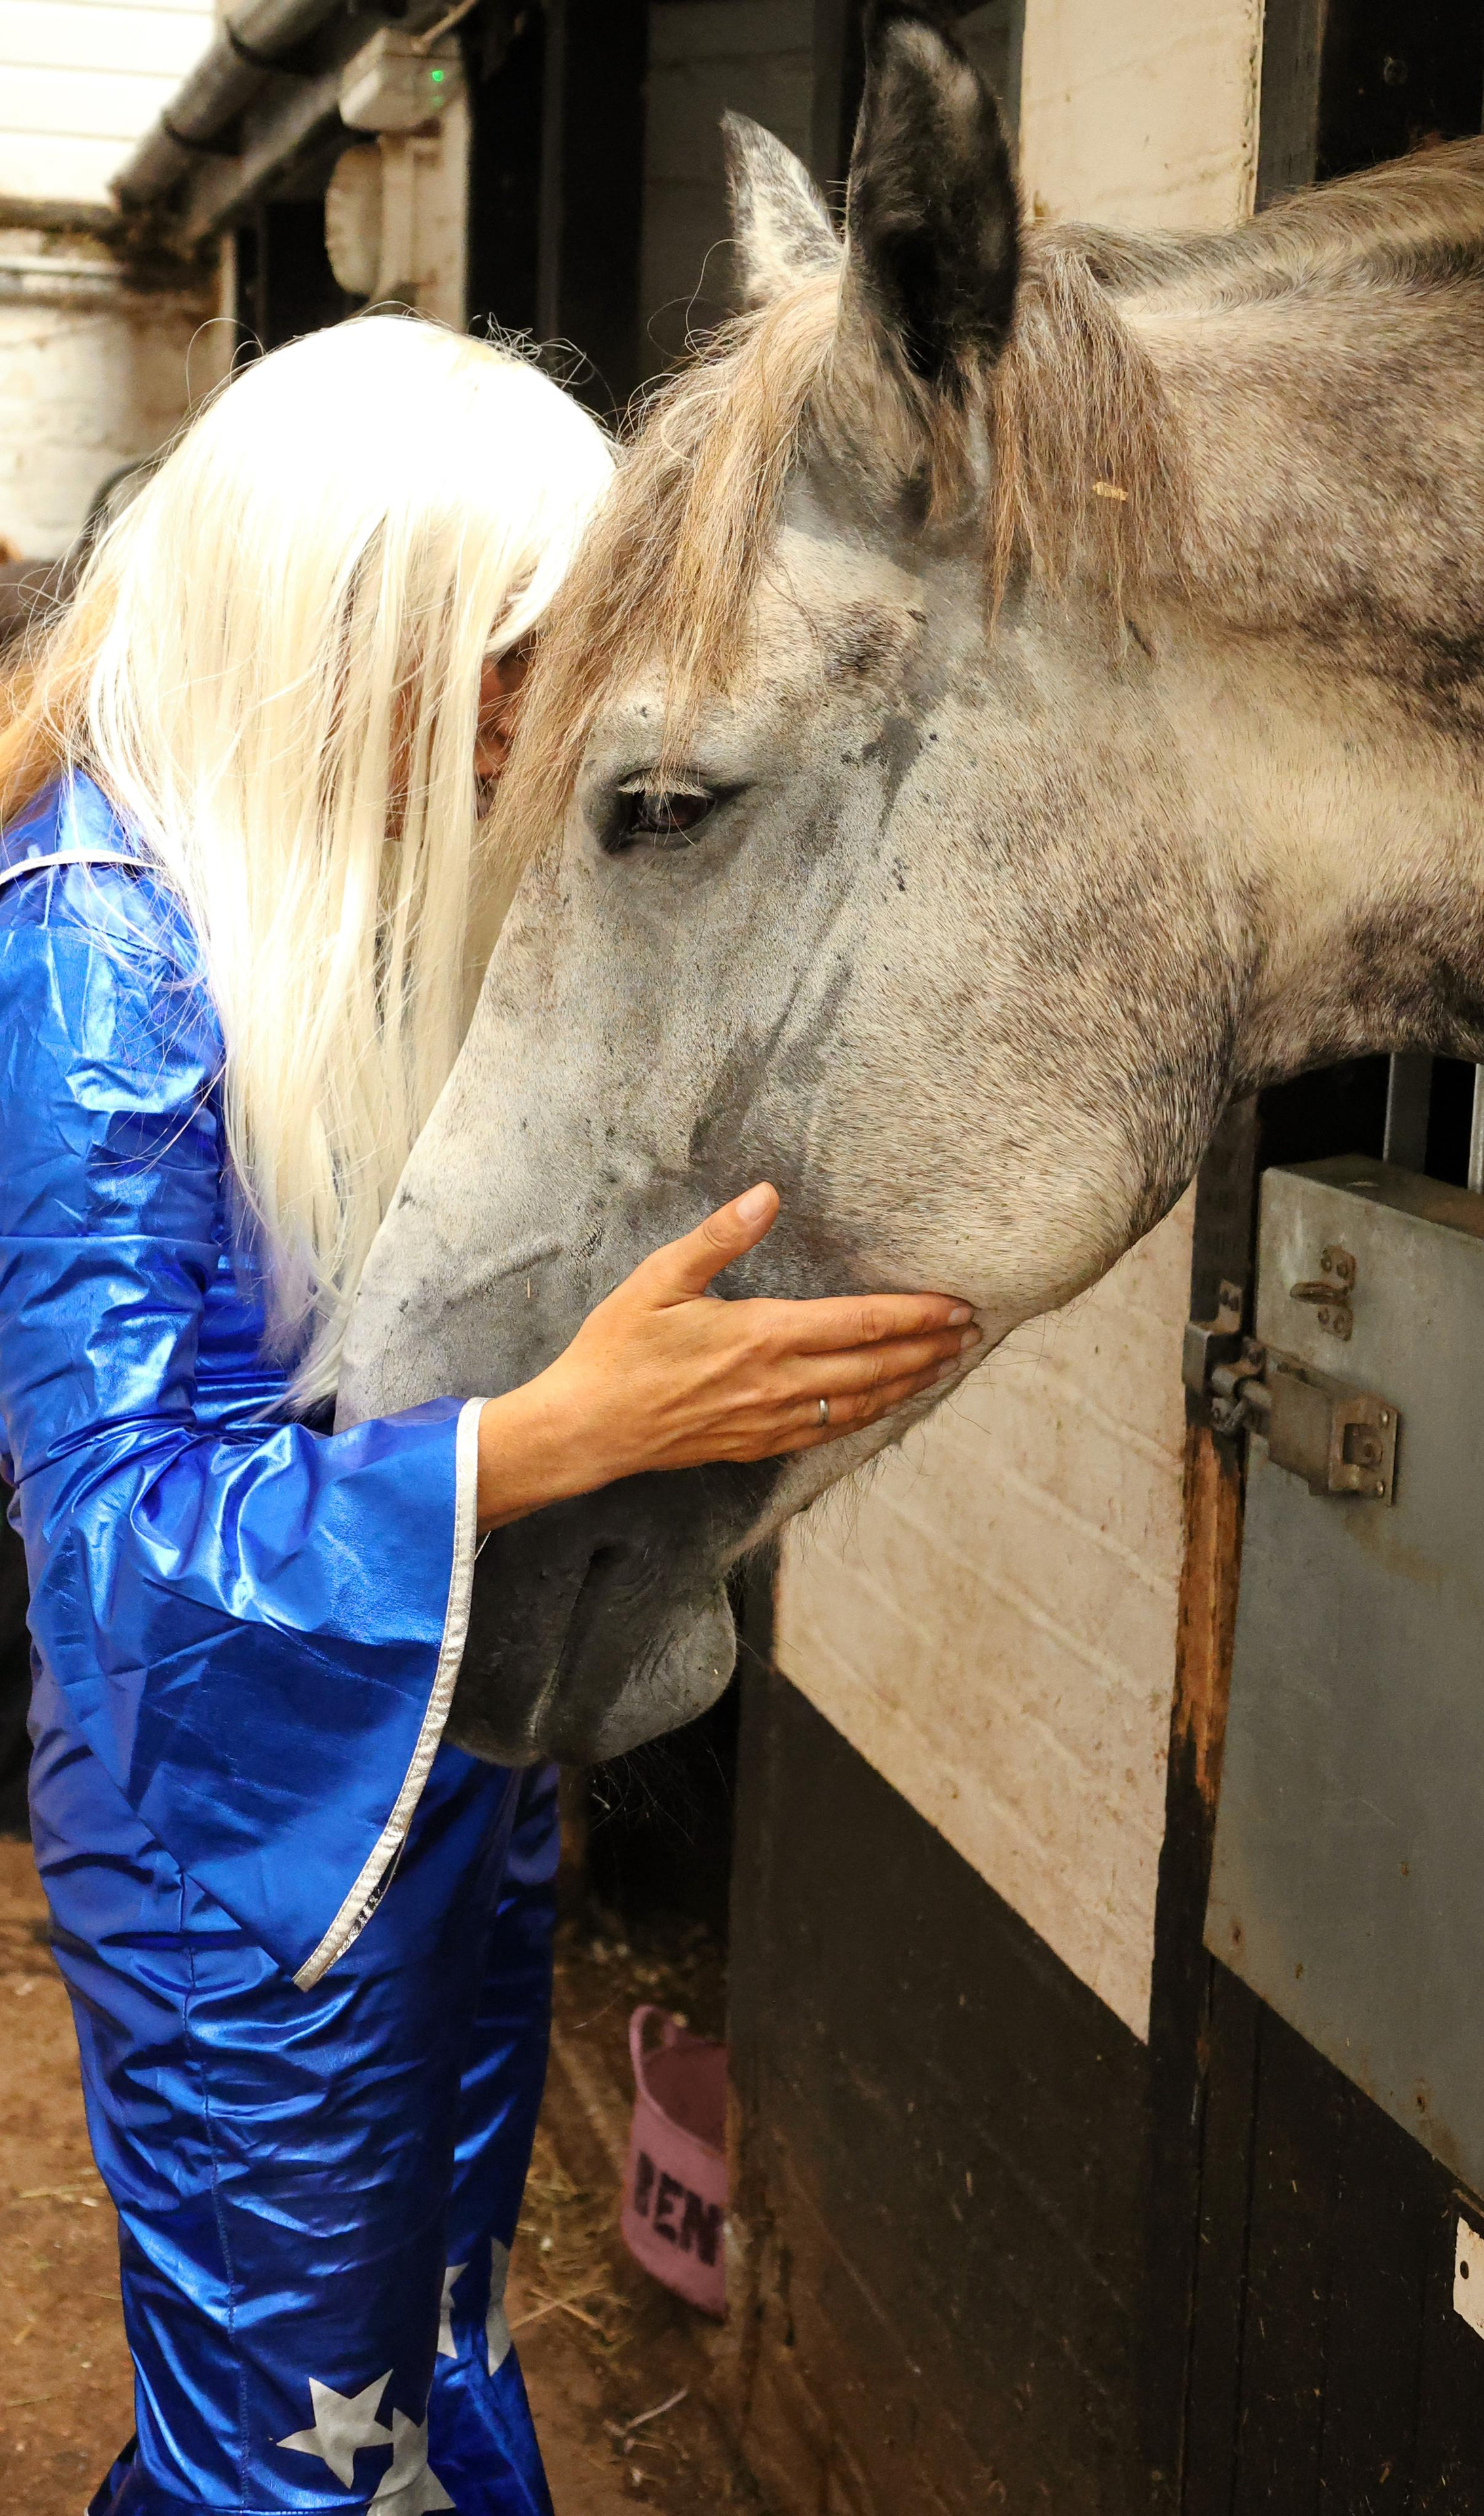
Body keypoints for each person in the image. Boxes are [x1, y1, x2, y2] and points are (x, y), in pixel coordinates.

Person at [0, 314, 975, 2516]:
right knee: (287, 2454)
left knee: (416, 2362)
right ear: (352, 625)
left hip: (429, 1767)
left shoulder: (330, 901)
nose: (543, 714)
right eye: (513, 650)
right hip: (241, 1849)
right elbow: (133, 1548)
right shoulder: (100, 956)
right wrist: (568, 1432)